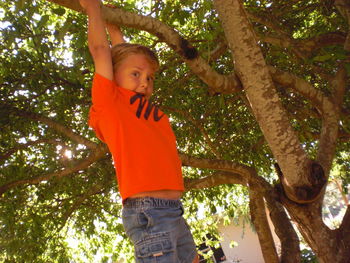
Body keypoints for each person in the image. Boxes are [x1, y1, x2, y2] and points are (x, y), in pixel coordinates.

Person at [78, 0, 199, 262]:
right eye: (136, 74)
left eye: (149, 77)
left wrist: (115, 29)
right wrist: (94, 9)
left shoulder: (142, 109)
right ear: (114, 74)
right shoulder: (111, 103)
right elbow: (101, 51)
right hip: (150, 212)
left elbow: (125, 57)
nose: (144, 81)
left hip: (173, 211)